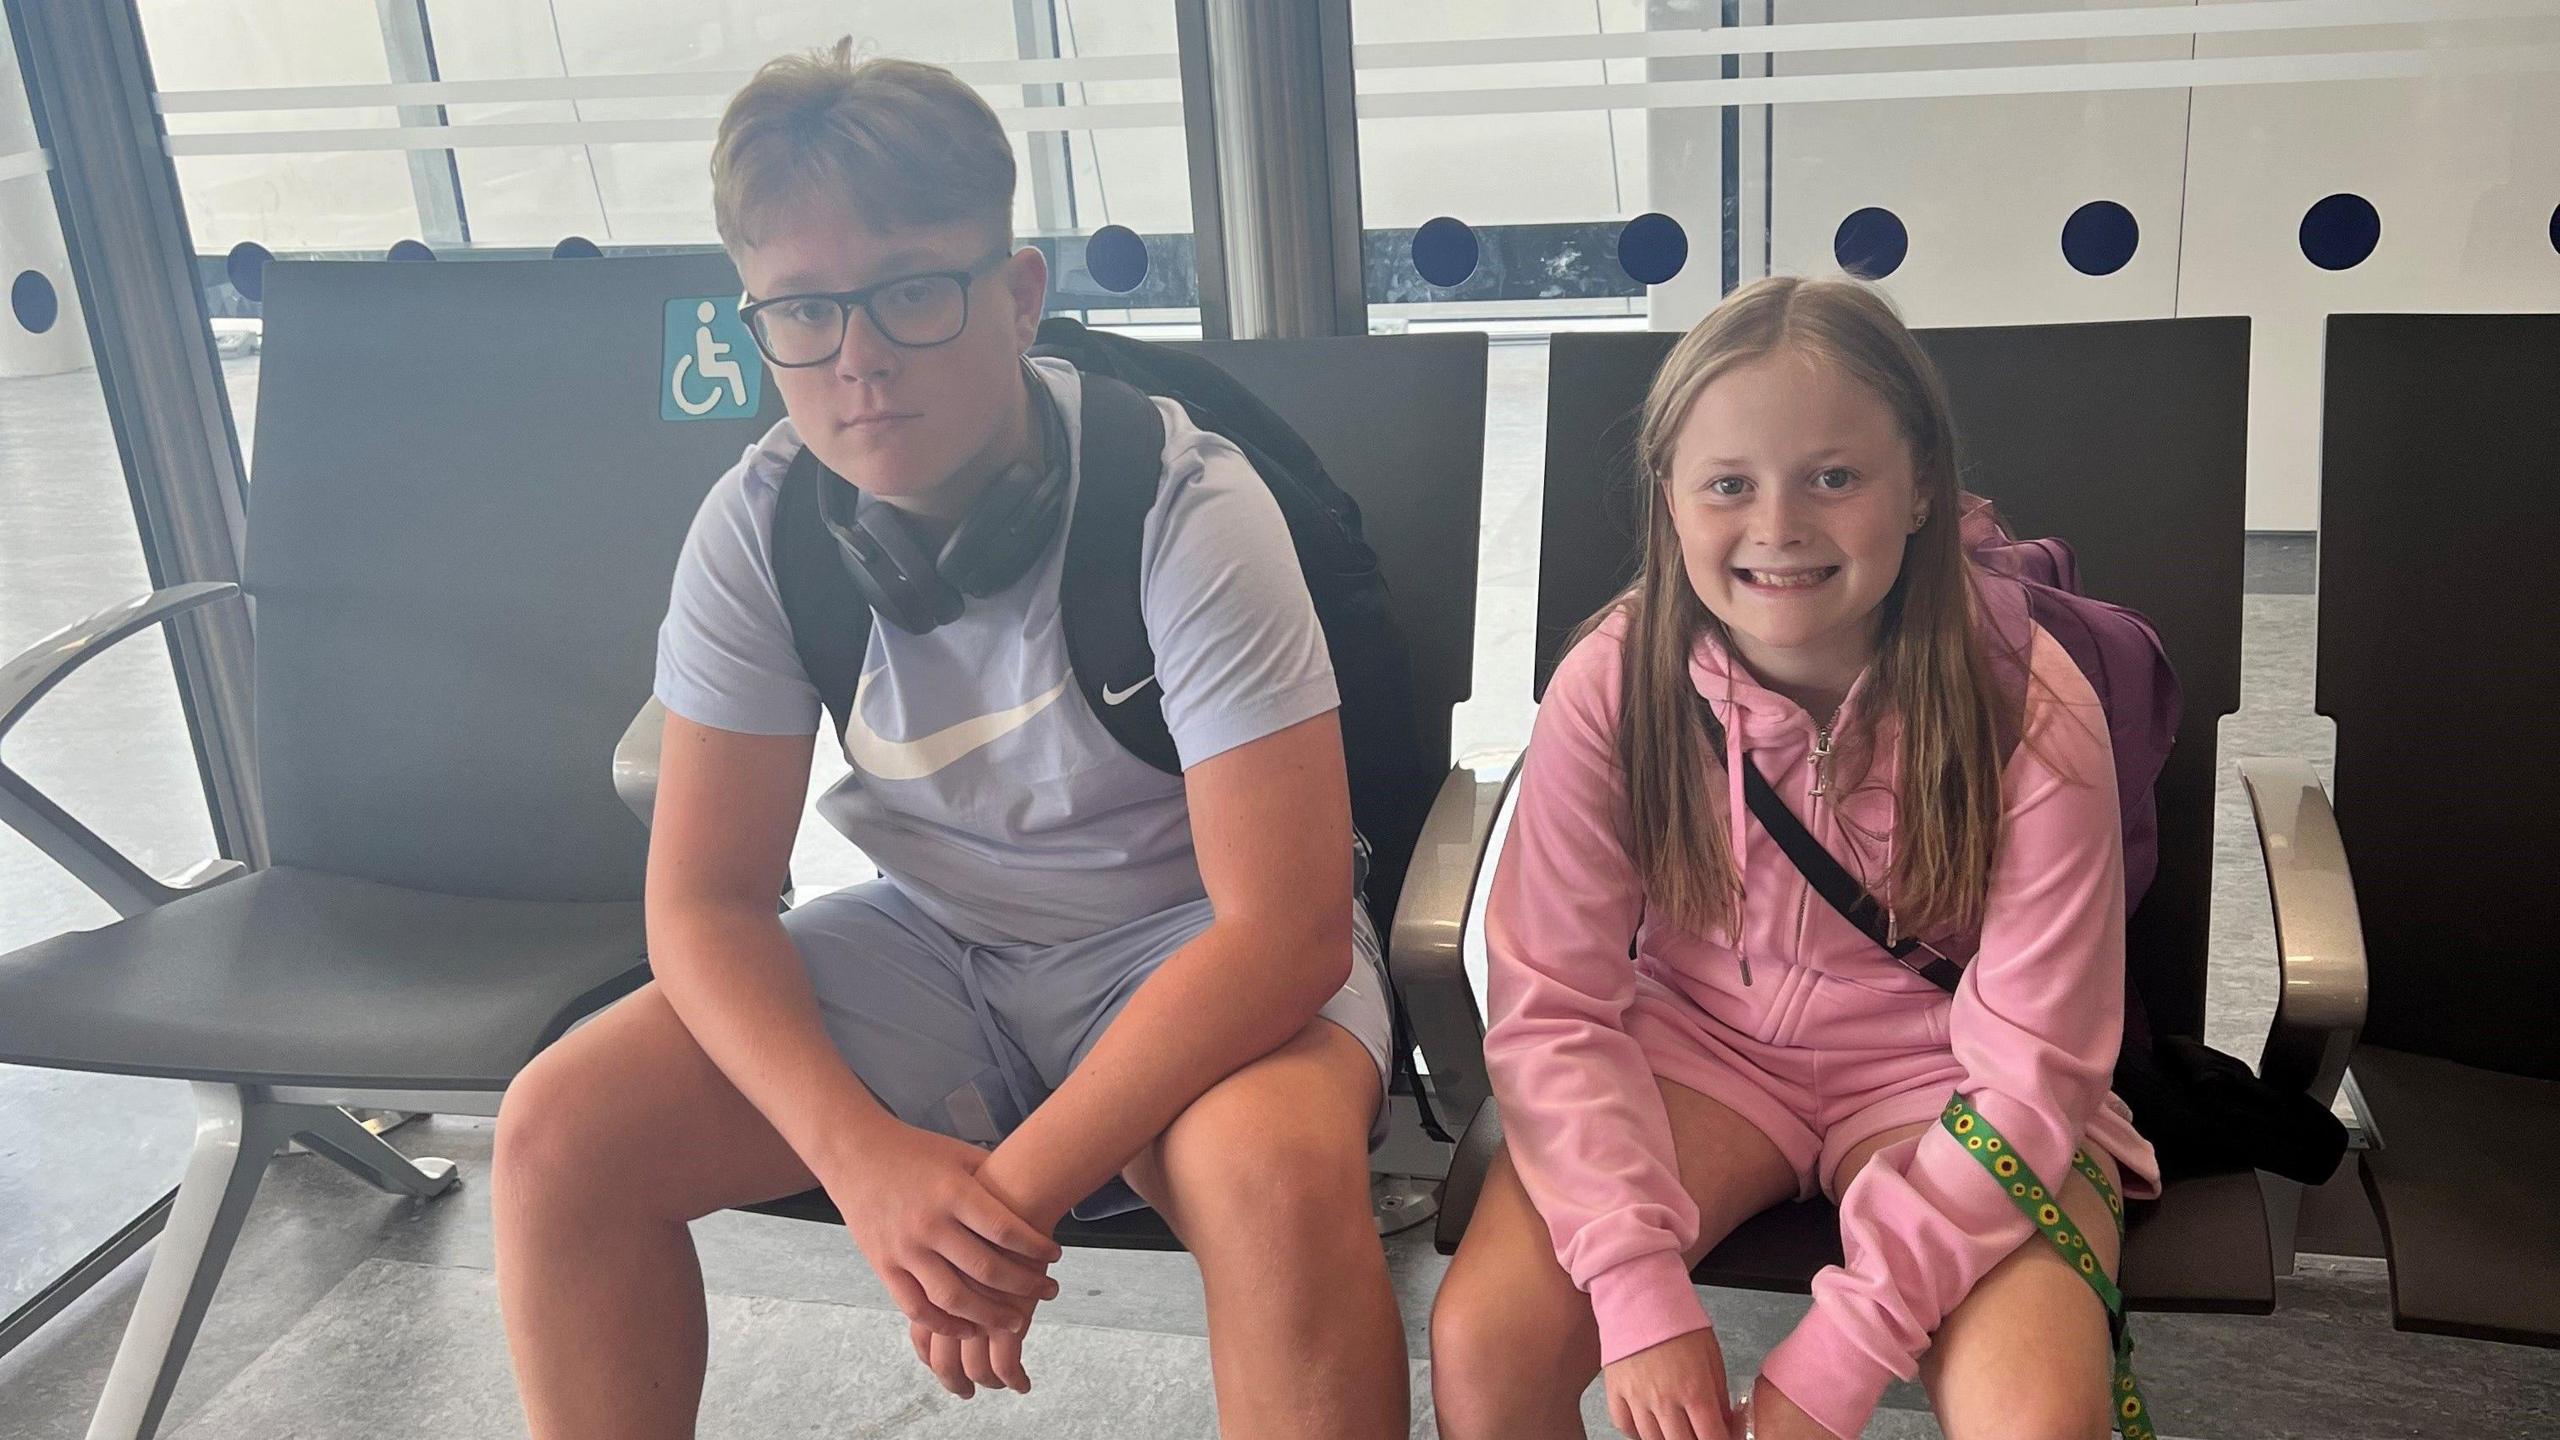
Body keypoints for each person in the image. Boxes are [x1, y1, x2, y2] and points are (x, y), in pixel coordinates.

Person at [491, 43, 1404, 1440]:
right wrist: (865, 1166)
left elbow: (1280, 931)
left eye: (912, 291)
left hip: (1187, 948)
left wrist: (1000, 1199)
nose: (858, 361)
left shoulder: (1183, 507)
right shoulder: (760, 526)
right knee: (560, 1135)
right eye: (802, 310)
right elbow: (702, 900)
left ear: (1019, 292)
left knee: (1275, 1181)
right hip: (935, 945)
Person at [1430, 275, 2159, 1440]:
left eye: (1833, 477)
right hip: (1702, 1052)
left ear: (1920, 484)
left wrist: (1842, 1352)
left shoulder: (2028, 700)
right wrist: (1637, 1294)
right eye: (1728, 485)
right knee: (1485, 1346)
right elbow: (1554, 1002)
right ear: (1668, 497)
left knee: (2038, 1420)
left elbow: (2033, 1067)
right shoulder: (1616, 684)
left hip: (1955, 1079)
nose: (1776, 529)